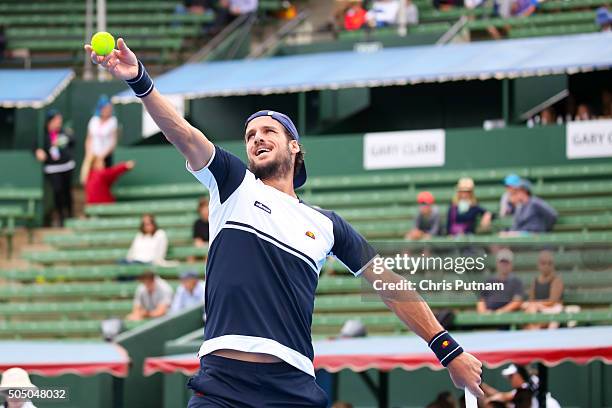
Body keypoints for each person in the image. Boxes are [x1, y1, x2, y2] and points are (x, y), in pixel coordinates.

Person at [86, 38, 483, 407]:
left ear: (294, 145)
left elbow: (389, 284)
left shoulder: (327, 225)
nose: (256, 137)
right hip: (222, 384)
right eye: (249, 133)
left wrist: (447, 349)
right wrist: (140, 80)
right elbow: (184, 133)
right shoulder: (232, 185)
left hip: (291, 386)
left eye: (268, 130)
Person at [33, 110, 75, 227]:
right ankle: (61, 216)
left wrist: (66, 137)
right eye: (56, 120)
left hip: (66, 166)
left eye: (60, 120)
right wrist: (37, 151)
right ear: (49, 122)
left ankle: (70, 215)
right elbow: (36, 146)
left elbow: (72, 141)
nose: (58, 123)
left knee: (67, 191)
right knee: (58, 191)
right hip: (52, 168)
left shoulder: (64, 132)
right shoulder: (42, 135)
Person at [482, 364, 561, 408]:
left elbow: (502, 397)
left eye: (511, 376)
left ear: (519, 375)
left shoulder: (526, 388)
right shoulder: (522, 389)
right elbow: (502, 396)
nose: (510, 379)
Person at [523, 250, 564, 330]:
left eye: (549, 263)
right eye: (543, 263)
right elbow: (532, 299)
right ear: (538, 265)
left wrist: (537, 304)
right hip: (538, 310)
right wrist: (534, 305)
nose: (546, 266)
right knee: (530, 308)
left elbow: (552, 301)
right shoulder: (535, 281)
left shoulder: (556, 281)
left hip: (552, 309)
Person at [477, 249, 524, 314]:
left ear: (511, 264)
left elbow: (517, 301)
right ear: (497, 263)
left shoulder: (516, 282)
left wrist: (502, 311)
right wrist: (484, 313)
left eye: (506, 263)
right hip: (488, 315)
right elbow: (481, 300)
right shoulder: (489, 281)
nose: (504, 265)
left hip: (506, 317)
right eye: (502, 262)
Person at [85, 95, 118, 168]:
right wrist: (89, 154)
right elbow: (88, 139)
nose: (107, 110)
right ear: (100, 109)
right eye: (105, 108)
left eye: (109, 108)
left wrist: (101, 157)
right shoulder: (93, 120)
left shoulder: (113, 121)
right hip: (92, 157)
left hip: (106, 157)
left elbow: (113, 142)